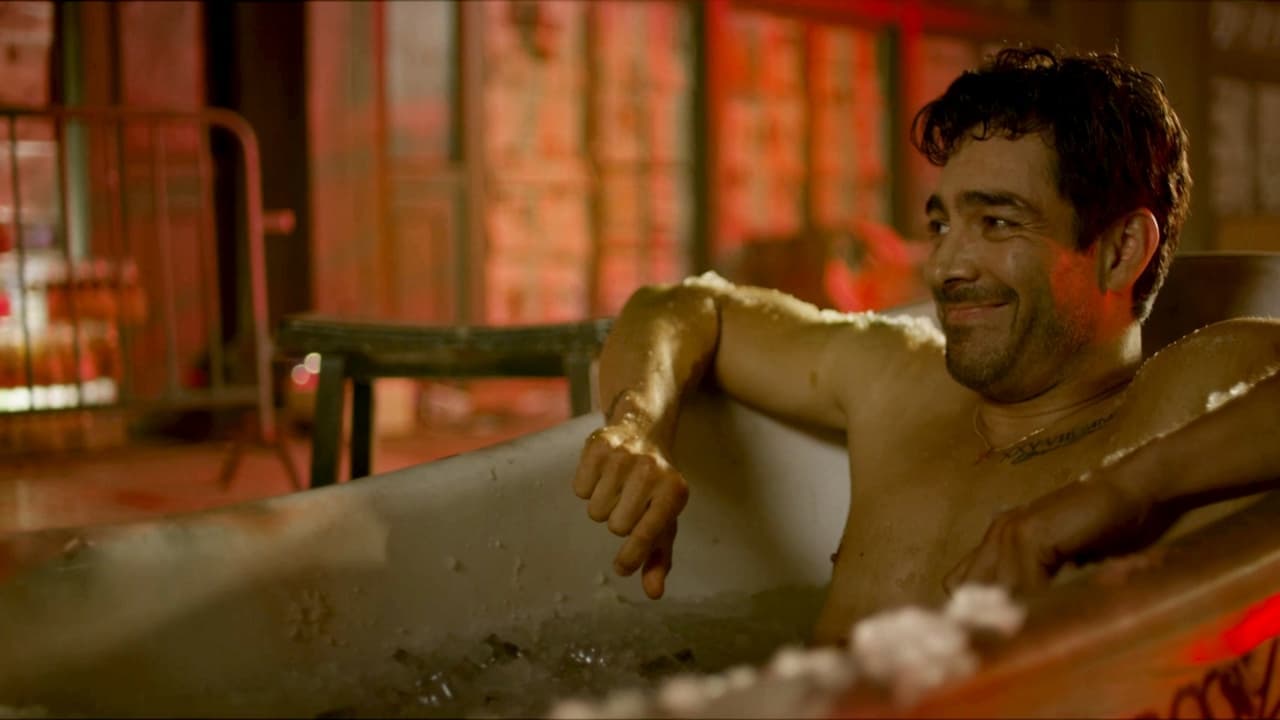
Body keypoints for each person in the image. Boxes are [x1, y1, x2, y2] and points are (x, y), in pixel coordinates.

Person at [571, 47, 1280, 646]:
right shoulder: (898, 381)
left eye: (997, 223)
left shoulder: (1177, 405)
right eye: (942, 225)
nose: (945, 266)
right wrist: (638, 425)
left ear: (1120, 250)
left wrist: (1120, 490)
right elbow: (686, 305)